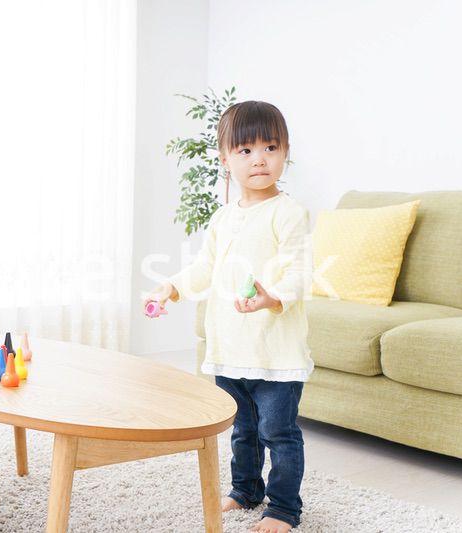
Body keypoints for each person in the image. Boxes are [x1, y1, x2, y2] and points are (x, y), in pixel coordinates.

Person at [145, 101, 312, 533]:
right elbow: (205, 268)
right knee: (242, 429)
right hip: (232, 347)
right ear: (225, 159)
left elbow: (298, 270)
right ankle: (245, 490)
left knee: (278, 432)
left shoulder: (287, 212)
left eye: (270, 147)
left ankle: (283, 509)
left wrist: (272, 297)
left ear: (285, 152)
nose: (259, 159)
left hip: (275, 353)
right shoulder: (223, 217)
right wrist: (173, 287)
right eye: (245, 150)